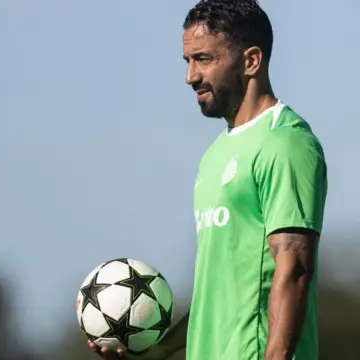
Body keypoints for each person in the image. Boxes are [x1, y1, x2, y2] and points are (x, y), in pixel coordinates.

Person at [88, 0, 327, 359]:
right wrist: (154, 352)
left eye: (204, 59)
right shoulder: (215, 155)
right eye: (188, 61)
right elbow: (216, 292)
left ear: (251, 61)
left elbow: (293, 269)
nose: (191, 76)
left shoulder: (286, 142)